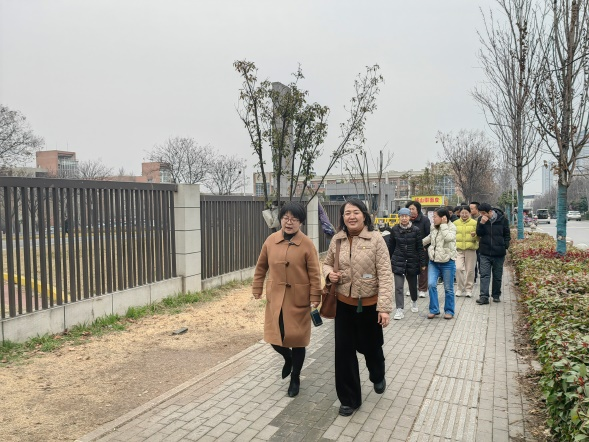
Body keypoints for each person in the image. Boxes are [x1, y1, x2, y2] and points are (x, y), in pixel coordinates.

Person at [323, 199, 393, 417]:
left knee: (371, 348)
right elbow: (326, 263)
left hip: (369, 306)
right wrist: (329, 274)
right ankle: (349, 400)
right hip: (344, 305)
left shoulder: (376, 239)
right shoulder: (337, 239)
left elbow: (385, 274)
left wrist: (384, 308)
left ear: (364, 215)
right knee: (344, 354)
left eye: (355, 212)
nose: (351, 217)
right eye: (347, 213)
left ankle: (377, 374)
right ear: (342, 217)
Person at [252, 201, 323, 397]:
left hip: (298, 299)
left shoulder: (307, 244)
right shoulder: (271, 240)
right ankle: (288, 358)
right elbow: (261, 267)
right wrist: (257, 287)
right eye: (285, 218)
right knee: (275, 338)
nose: (289, 222)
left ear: (301, 222)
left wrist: (315, 296)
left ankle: (295, 377)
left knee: (298, 340)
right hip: (276, 298)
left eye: (294, 219)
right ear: (280, 219)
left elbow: (314, 273)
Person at [387, 207, 426, 319]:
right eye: (402, 216)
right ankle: (399, 309)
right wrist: (387, 260)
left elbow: (420, 247)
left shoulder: (416, 230)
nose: (404, 218)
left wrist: (423, 263)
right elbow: (391, 246)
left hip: (412, 261)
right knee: (398, 287)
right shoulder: (394, 229)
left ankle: (414, 301)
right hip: (398, 261)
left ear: (410, 217)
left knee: (412, 286)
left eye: (406, 216)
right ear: (399, 217)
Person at [422, 207, 457, 319]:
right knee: (431, 284)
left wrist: (444, 225)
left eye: (435, 217)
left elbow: (449, 238)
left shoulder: (452, 227)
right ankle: (434, 309)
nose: (433, 219)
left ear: (443, 217)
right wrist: (419, 243)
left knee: (448, 288)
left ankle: (449, 311)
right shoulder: (433, 227)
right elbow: (430, 237)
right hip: (434, 261)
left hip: (447, 261)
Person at [475, 203, 510, 305]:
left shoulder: (502, 219)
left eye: (483, 213)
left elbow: (507, 234)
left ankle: (496, 295)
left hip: (499, 253)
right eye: (480, 213)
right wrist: (482, 223)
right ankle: (484, 297)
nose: (482, 215)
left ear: (490, 212)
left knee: (497, 275)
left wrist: (505, 246)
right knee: (484, 275)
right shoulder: (480, 220)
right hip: (485, 252)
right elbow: (479, 233)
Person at [405, 200, 431, 298]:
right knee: (410, 269)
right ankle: (411, 288)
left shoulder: (425, 220)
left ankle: (422, 289)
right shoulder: (406, 219)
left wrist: (425, 246)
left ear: (418, 210)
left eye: (413, 209)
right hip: (409, 249)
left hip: (422, 248)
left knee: (423, 269)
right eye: (409, 209)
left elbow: (429, 235)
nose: (411, 211)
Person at [453, 206, 479, 298]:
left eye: (466, 213)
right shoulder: (455, 223)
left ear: (469, 213)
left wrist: (475, 235)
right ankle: (459, 288)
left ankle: (468, 289)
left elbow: (479, 237)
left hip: (470, 250)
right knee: (458, 268)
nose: (464, 215)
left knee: (470, 270)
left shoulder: (474, 223)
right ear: (459, 213)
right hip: (458, 250)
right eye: (462, 213)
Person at [469, 201, 482, 283]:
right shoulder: (468, 218)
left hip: (480, 243)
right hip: (471, 243)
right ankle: (473, 277)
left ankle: (482, 274)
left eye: (471, 209)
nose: (470, 210)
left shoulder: (482, 219)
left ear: (477, 209)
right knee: (472, 262)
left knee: (480, 260)